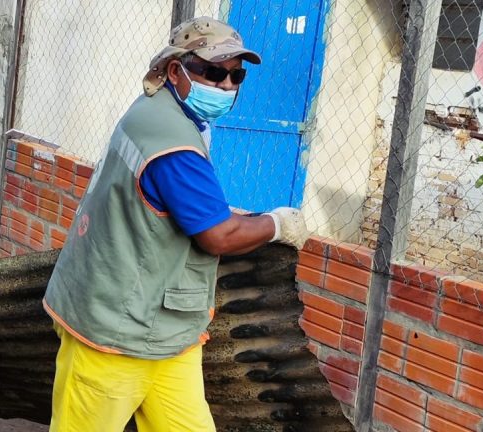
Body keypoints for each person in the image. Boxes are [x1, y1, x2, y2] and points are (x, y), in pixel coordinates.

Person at [42, 16, 310, 431]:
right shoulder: (172, 140)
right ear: (175, 70)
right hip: (115, 334)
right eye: (213, 71)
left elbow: (167, 205)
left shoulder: (158, 109)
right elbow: (217, 236)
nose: (225, 85)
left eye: (235, 76)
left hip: (166, 334)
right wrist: (277, 225)